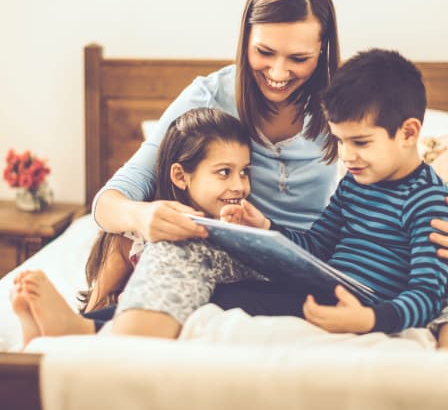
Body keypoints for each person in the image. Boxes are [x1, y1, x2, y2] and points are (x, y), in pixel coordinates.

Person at [14, 0, 448, 347]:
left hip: (333, 267)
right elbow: (114, 197)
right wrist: (145, 216)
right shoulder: (211, 95)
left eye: (299, 59)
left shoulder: (350, 104)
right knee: (183, 247)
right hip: (260, 249)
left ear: (325, 51)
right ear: (245, 36)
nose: (279, 73)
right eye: (265, 52)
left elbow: (406, 192)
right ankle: (99, 332)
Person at [219, 48, 448, 334]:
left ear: (408, 133)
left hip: (366, 310)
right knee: (225, 294)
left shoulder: (429, 202)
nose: (346, 156)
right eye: (340, 141)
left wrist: (369, 319)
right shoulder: (353, 184)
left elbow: (427, 296)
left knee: (233, 302)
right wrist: (265, 227)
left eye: (360, 142)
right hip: (322, 291)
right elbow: (316, 246)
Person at [11, 107, 264, 345]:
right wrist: (106, 303)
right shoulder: (132, 238)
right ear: (179, 176)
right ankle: (71, 328)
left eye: (244, 172)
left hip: (203, 303)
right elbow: (103, 290)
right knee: (119, 271)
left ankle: (73, 332)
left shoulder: (242, 225)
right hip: (142, 305)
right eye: (223, 172)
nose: (240, 186)